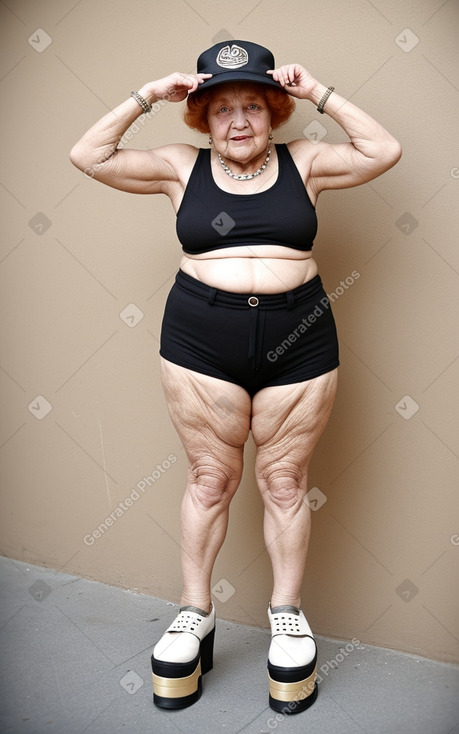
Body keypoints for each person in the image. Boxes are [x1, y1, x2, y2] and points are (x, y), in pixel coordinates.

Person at [70, 39, 401, 715]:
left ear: (274, 110)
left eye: (253, 104)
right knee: (209, 479)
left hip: (299, 338)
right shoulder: (174, 167)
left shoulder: (304, 162)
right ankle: (196, 612)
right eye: (222, 108)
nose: (240, 120)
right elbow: (89, 156)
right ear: (200, 118)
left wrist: (319, 92)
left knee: (283, 482)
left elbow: (381, 150)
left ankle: (285, 613)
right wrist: (146, 93)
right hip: (200, 339)